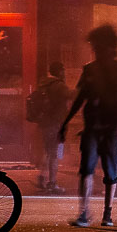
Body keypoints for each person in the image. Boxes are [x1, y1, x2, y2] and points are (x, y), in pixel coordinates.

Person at [60, 24, 117, 227]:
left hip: (110, 126)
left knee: (110, 170)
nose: (96, 50)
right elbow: (80, 97)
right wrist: (65, 122)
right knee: (86, 169)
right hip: (94, 126)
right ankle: (84, 212)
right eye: (95, 47)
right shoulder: (90, 69)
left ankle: (107, 213)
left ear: (109, 47)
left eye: (99, 47)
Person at [29, 61, 71, 193]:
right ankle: (52, 183)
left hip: (44, 123)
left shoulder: (44, 84)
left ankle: (42, 177)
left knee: (48, 151)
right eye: (63, 70)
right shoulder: (59, 85)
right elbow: (72, 94)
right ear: (59, 71)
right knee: (54, 154)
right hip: (55, 123)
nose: (64, 72)